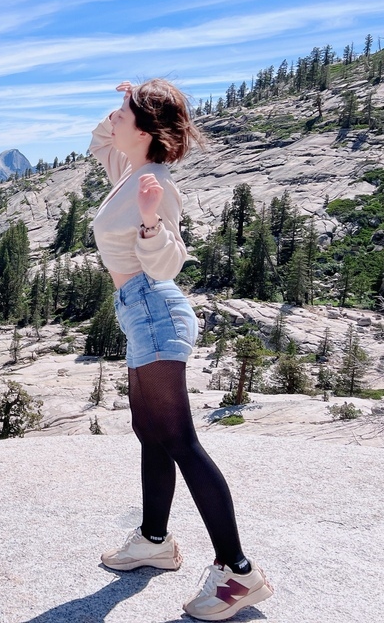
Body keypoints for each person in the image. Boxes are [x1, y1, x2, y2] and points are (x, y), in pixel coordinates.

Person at [89, 79, 273, 621]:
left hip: (155, 307)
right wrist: (126, 102)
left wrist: (149, 222)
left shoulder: (154, 183)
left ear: (144, 132)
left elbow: (167, 264)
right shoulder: (127, 169)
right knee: (152, 434)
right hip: (137, 311)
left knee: (180, 441)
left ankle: (238, 572)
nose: (113, 119)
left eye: (124, 115)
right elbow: (101, 140)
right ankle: (154, 539)